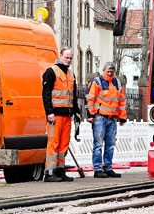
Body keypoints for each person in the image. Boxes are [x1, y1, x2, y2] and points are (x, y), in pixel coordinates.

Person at [41, 47, 78, 182]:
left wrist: (76, 113)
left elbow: (73, 96)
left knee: (64, 144)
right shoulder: (51, 72)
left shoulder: (71, 74)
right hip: (55, 115)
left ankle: (60, 170)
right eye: (66, 57)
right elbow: (46, 94)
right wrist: (49, 112)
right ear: (60, 56)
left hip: (67, 115)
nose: (68, 60)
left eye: (70, 58)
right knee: (54, 143)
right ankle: (49, 172)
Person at [86, 62, 127, 178]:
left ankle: (107, 168)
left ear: (114, 72)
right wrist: (91, 115)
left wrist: (122, 117)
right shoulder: (97, 82)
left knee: (110, 145)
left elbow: (122, 101)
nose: (109, 74)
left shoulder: (118, 83)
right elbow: (90, 99)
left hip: (112, 118)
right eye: (108, 71)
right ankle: (98, 169)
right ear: (103, 70)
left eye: (111, 72)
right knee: (98, 145)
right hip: (100, 117)